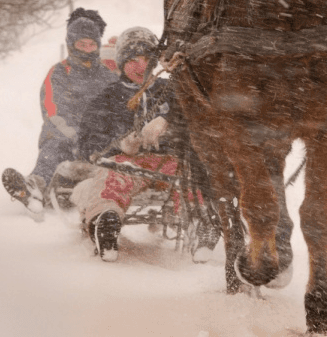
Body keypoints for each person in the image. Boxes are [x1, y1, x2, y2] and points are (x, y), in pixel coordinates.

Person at [71, 26, 219, 262]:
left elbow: (197, 125)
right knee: (111, 181)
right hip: (126, 163)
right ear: (121, 63)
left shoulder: (173, 92)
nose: (141, 67)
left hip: (170, 162)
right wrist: (119, 145)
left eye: (148, 59)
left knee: (192, 180)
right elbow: (88, 144)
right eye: (133, 60)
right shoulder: (106, 98)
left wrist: (169, 123)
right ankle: (105, 224)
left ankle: (201, 226)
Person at [2, 8, 117, 216]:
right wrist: (77, 137)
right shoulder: (59, 73)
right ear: (72, 44)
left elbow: (118, 110)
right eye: (82, 44)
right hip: (68, 139)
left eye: (92, 45)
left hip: (101, 141)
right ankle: (34, 187)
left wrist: (102, 136)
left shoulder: (108, 77)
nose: (87, 49)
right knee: (54, 145)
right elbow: (53, 112)